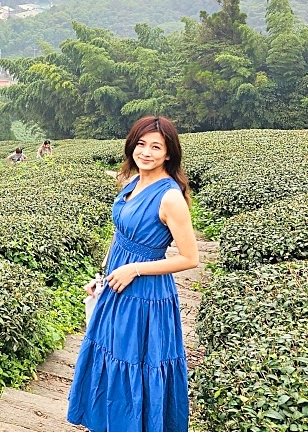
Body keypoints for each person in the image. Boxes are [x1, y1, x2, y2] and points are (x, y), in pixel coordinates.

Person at [67, 115, 199, 432]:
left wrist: (135, 269)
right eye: (141, 144)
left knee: (136, 364)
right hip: (117, 286)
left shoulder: (170, 197)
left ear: (169, 154)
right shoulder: (133, 181)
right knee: (111, 357)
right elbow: (120, 236)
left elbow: (190, 258)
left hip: (146, 295)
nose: (146, 152)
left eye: (156, 146)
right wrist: (103, 277)